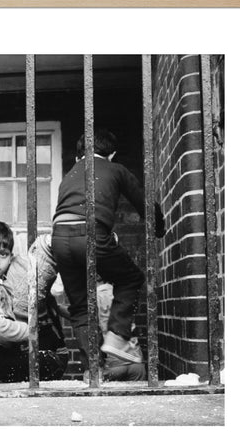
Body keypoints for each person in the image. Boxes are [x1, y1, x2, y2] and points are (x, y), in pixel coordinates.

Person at [51, 128, 165, 373]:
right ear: (111, 154)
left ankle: (93, 369)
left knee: (80, 306)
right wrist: (159, 227)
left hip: (59, 238)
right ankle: (117, 336)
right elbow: (143, 202)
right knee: (131, 278)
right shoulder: (115, 169)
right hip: (90, 234)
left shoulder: (70, 173)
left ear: (77, 156)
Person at [0, 220, 64, 383]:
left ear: (10, 256)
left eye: (3, 254)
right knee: (47, 364)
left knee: (41, 358)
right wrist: (30, 331)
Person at [5, 234, 69, 375]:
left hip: (49, 346)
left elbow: (52, 304)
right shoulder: (8, 285)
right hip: (43, 348)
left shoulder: (39, 293)